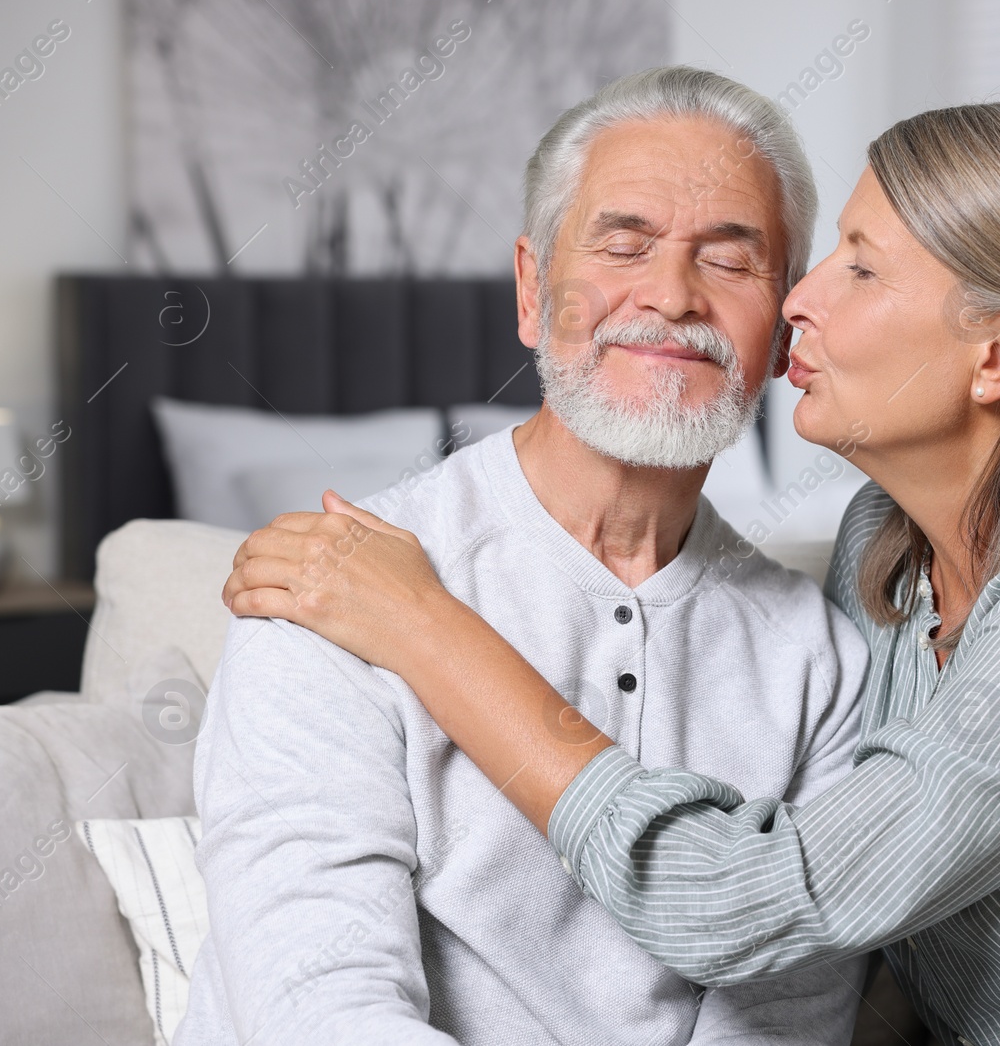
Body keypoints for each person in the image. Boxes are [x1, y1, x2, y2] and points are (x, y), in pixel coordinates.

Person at [224, 99, 1000, 1045]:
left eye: (843, 264)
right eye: (620, 244)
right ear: (531, 287)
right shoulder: (875, 570)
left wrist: (429, 629)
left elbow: (760, 903)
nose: (790, 302)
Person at [177, 67, 873, 1046]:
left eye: (728, 260)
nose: (671, 296)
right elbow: (319, 1004)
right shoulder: (331, 589)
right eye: (622, 243)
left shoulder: (816, 658)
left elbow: (785, 1016)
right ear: (533, 288)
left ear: (779, 326)